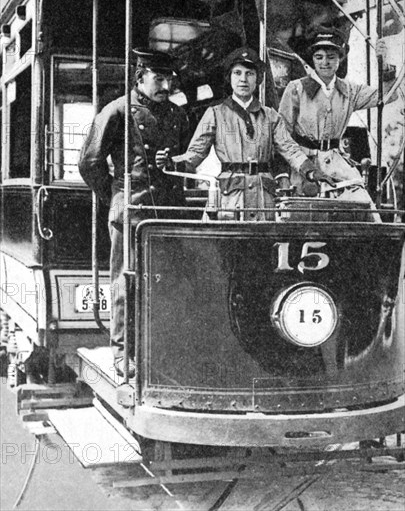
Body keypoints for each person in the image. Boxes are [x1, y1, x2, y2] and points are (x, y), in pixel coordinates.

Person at [78, 49, 189, 377]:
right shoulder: (118, 111)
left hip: (168, 212)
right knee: (127, 285)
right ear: (140, 78)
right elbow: (90, 163)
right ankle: (124, 358)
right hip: (132, 211)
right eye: (159, 78)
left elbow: (182, 159)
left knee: (166, 285)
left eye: (170, 79)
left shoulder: (177, 115)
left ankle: (161, 356)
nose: (166, 85)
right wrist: (115, 196)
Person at [156, 46, 332, 221]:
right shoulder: (215, 114)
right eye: (237, 73)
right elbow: (194, 154)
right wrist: (171, 162)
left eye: (249, 73)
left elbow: (290, 150)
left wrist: (311, 171)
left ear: (258, 79)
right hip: (230, 202)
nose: (243, 79)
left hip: (264, 201)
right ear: (229, 78)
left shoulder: (271, 116)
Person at [278, 25, 398, 203]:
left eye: (331, 57)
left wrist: (386, 66)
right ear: (312, 59)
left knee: (363, 206)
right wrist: (303, 169)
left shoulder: (350, 91)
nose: (324, 62)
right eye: (319, 57)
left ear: (340, 59)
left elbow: (388, 95)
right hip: (303, 168)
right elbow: (282, 137)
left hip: (338, 166)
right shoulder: (296, 89)